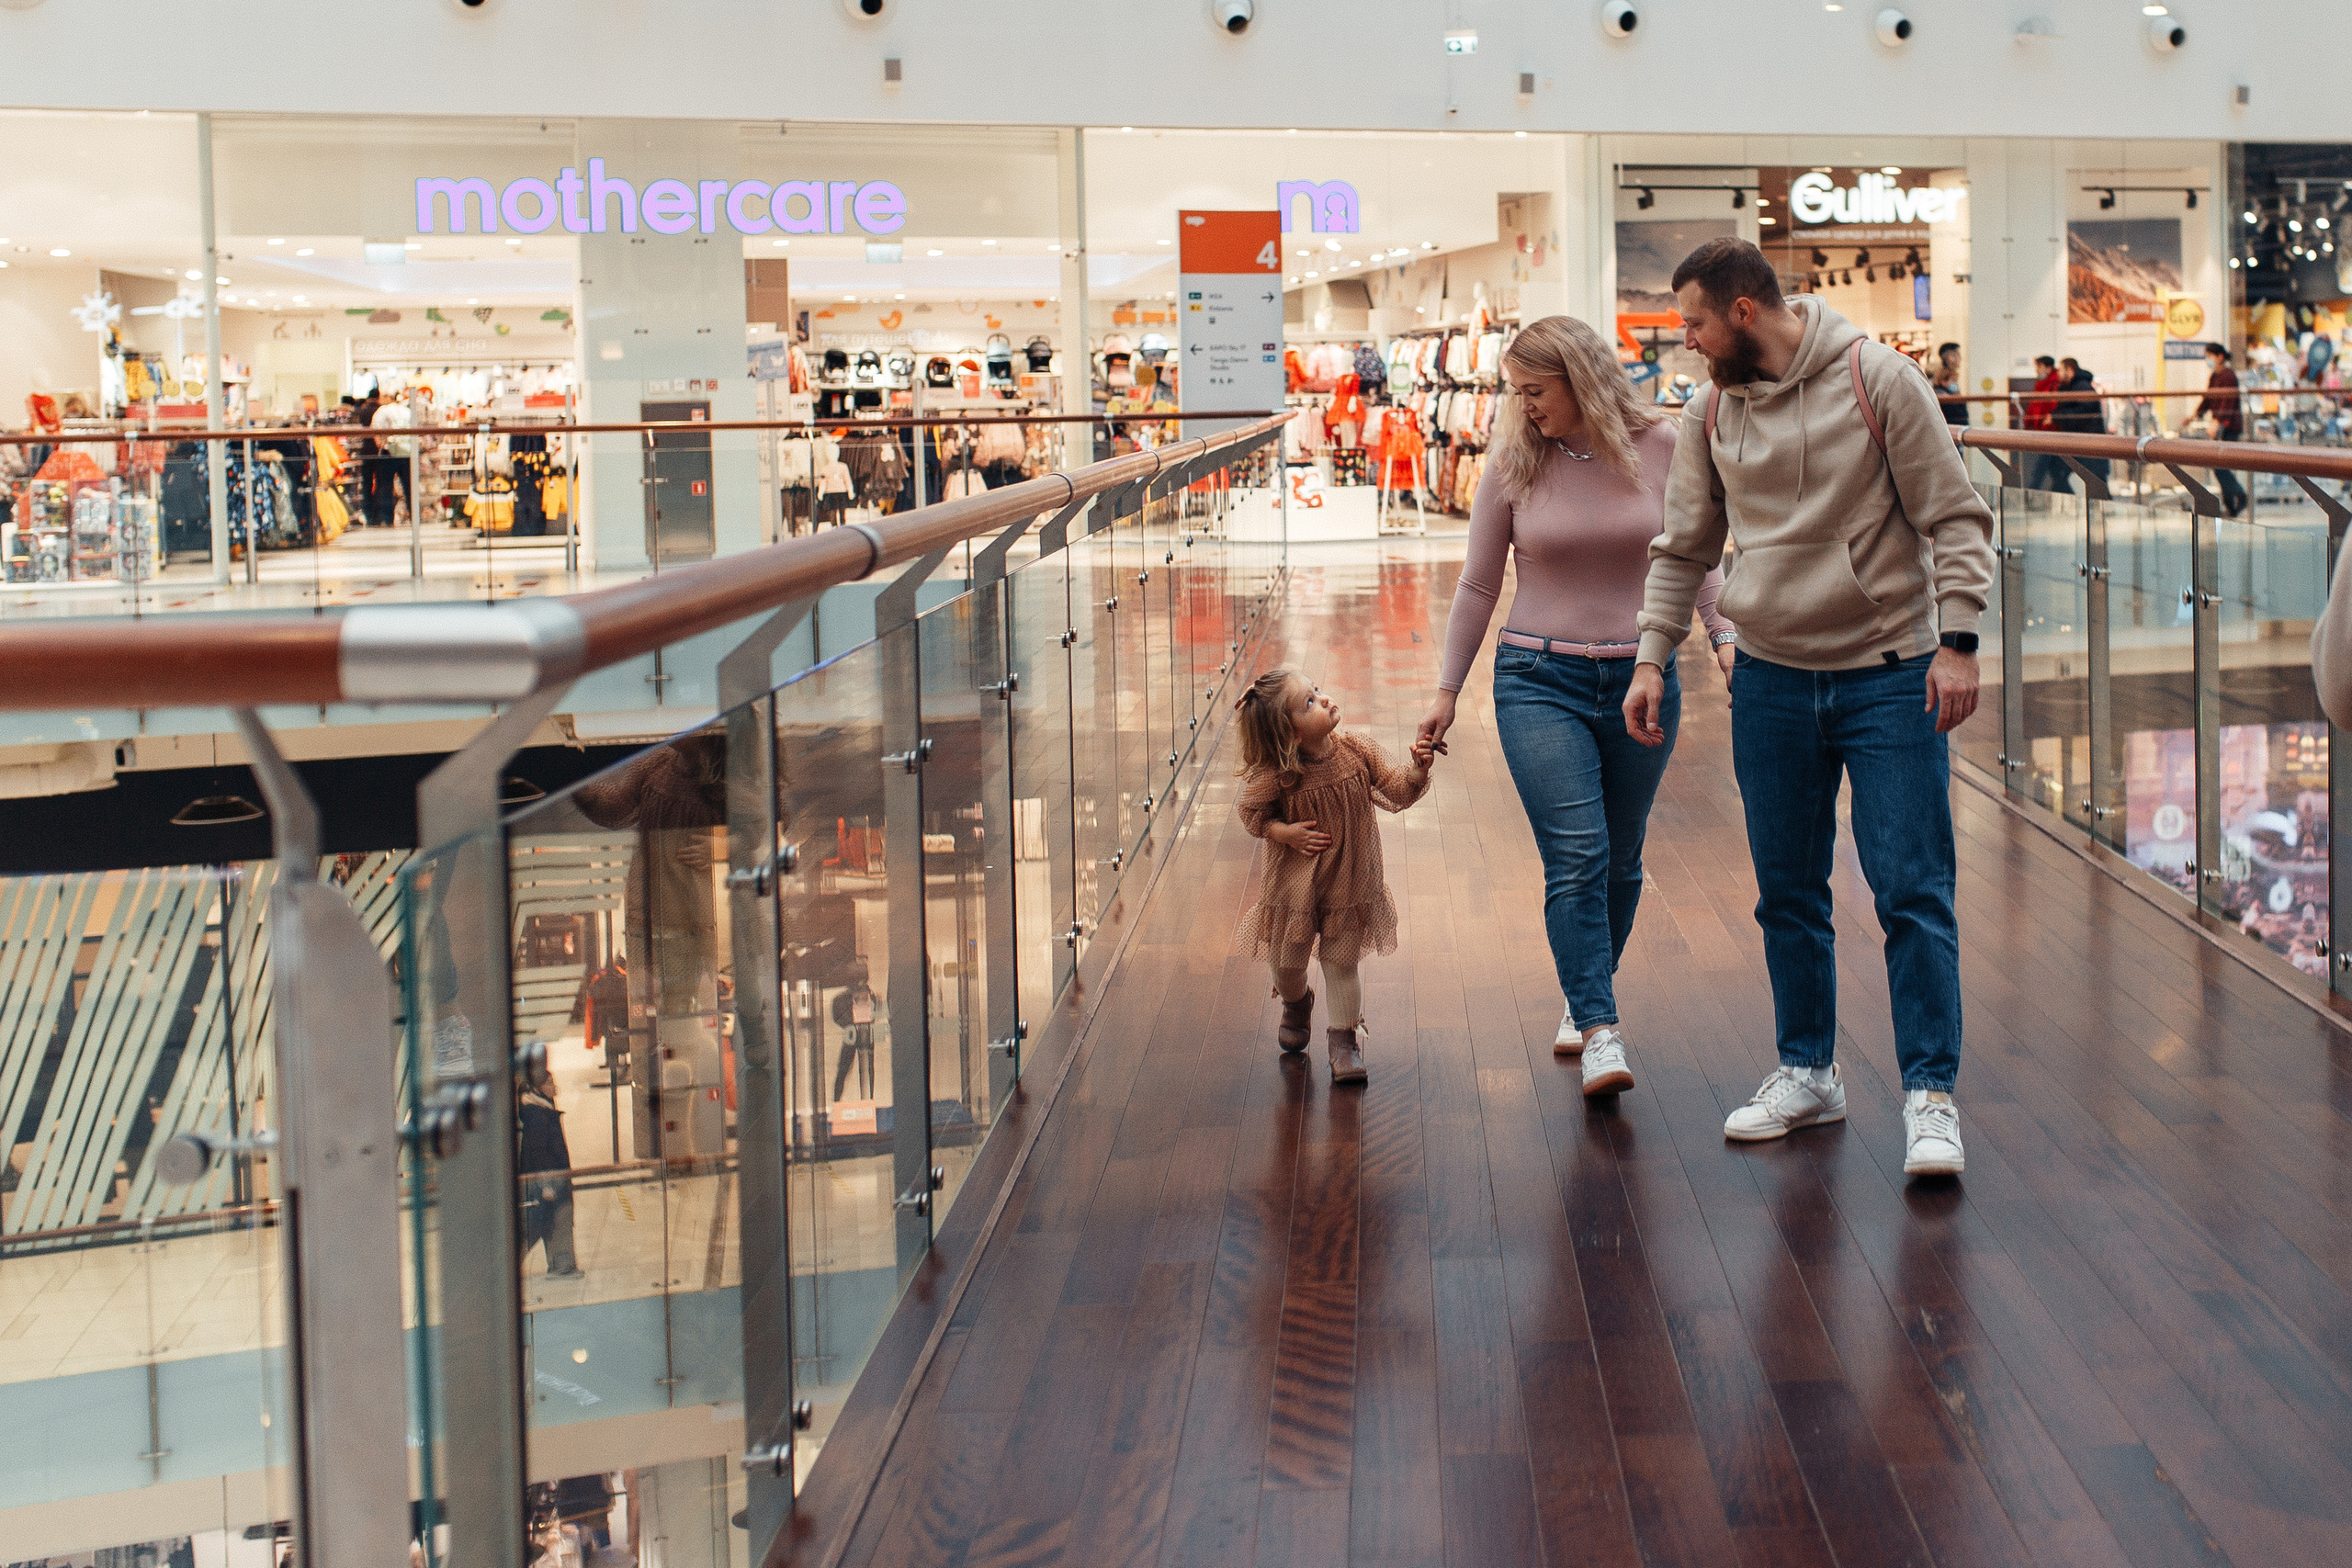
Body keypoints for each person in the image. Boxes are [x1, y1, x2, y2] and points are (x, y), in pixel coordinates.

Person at [1626, 237, 1996, 1178]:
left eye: (1695, 321)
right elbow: (1683, 547)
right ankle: (1807, 1071)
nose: (1687, 339)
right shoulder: (1708, 408)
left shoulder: (1879, 380)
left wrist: (1957, 642)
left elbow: (1951, 516)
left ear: (1743, 311)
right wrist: (1649, 657)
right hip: (1773, 678)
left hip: (1889, 673)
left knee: (1910, 886)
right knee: (1786, 891)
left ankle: (1930, 1095)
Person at [1416, 313, 1736, 1099]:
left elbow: (1693, 555)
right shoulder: (1513, 461)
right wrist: (1446, 689)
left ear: (1583, 378)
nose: (1523, 406)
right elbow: (1480, 584)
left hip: (1644, 678)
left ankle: (1582, 989)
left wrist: (1725, 639)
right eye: (1515, 391)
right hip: (1537, 680)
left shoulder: (1663, 448)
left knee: (1621, 859)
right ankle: (1599, 1026)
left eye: (1535, 390)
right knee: (1579, 854)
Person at [1233, 668, 1435, 1083]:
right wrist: (1283, 833)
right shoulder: (1280, 774)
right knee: (1285, 963)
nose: (1324, 699)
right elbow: (1252, 813)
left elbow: (1395, 790)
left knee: (1341, 963)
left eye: (1317, 691)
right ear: (1289, 735)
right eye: (1309, 702)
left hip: (1350, 878)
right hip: (1295, 886)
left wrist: (1416, 770)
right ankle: (1296, 1001)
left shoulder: (1356, 750)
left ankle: (1343, 1039)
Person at [517, 1063, 582, 1279]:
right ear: (537, 1089)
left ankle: (561, 1265)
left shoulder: (542, 1109)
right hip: (549, 1180)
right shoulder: (538, 1116)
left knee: (548, 1221)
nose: (554, 1086)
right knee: (553, 1221)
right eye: (549, 1083)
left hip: (553, 1177)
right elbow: (537, 1153)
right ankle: (562, 1267)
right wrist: (546, 1185)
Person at [2196, 342, 2248, 517]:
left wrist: (2219, 421)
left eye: (2209, 356)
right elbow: (2209, 398)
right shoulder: (2215, 376)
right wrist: (2196, 413)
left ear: (2219, 357)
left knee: (2220, 465)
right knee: (2220, 465)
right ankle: (2231, 503)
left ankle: (2238, 495)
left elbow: (2228, 402)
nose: (2207, 359)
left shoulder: (2228, 376)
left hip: (2229, 427)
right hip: (2220, 426)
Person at [2052, 357, 2110, 489]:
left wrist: (2056, 416)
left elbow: (2083, 410)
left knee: (2097, 481)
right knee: (2061, 475)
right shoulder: (2070, 387)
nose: (2058, 373)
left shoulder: (2081, 386)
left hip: (2087, 442)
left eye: (2061, 369)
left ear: (2069, 370)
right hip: (2079, 442)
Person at [2022, 355, 2070, 492]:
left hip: (2051, 434)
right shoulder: (2041, 385)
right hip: (2044, 433)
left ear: (2048, 368)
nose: (2037, 370)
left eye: (2040, 367)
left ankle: (2029, 496)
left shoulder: (2054, 385)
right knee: (2056, 475)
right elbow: (2034, 407)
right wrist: (2027, 425)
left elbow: (2053, 408)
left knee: (2040, 471)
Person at [1935, 341, 1968, 426]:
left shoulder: (1948, 376)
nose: (1960, 358)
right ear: (1950, 357)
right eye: (1958, 354)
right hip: (1953, 424)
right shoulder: (1945, 378)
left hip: (1952, 424)